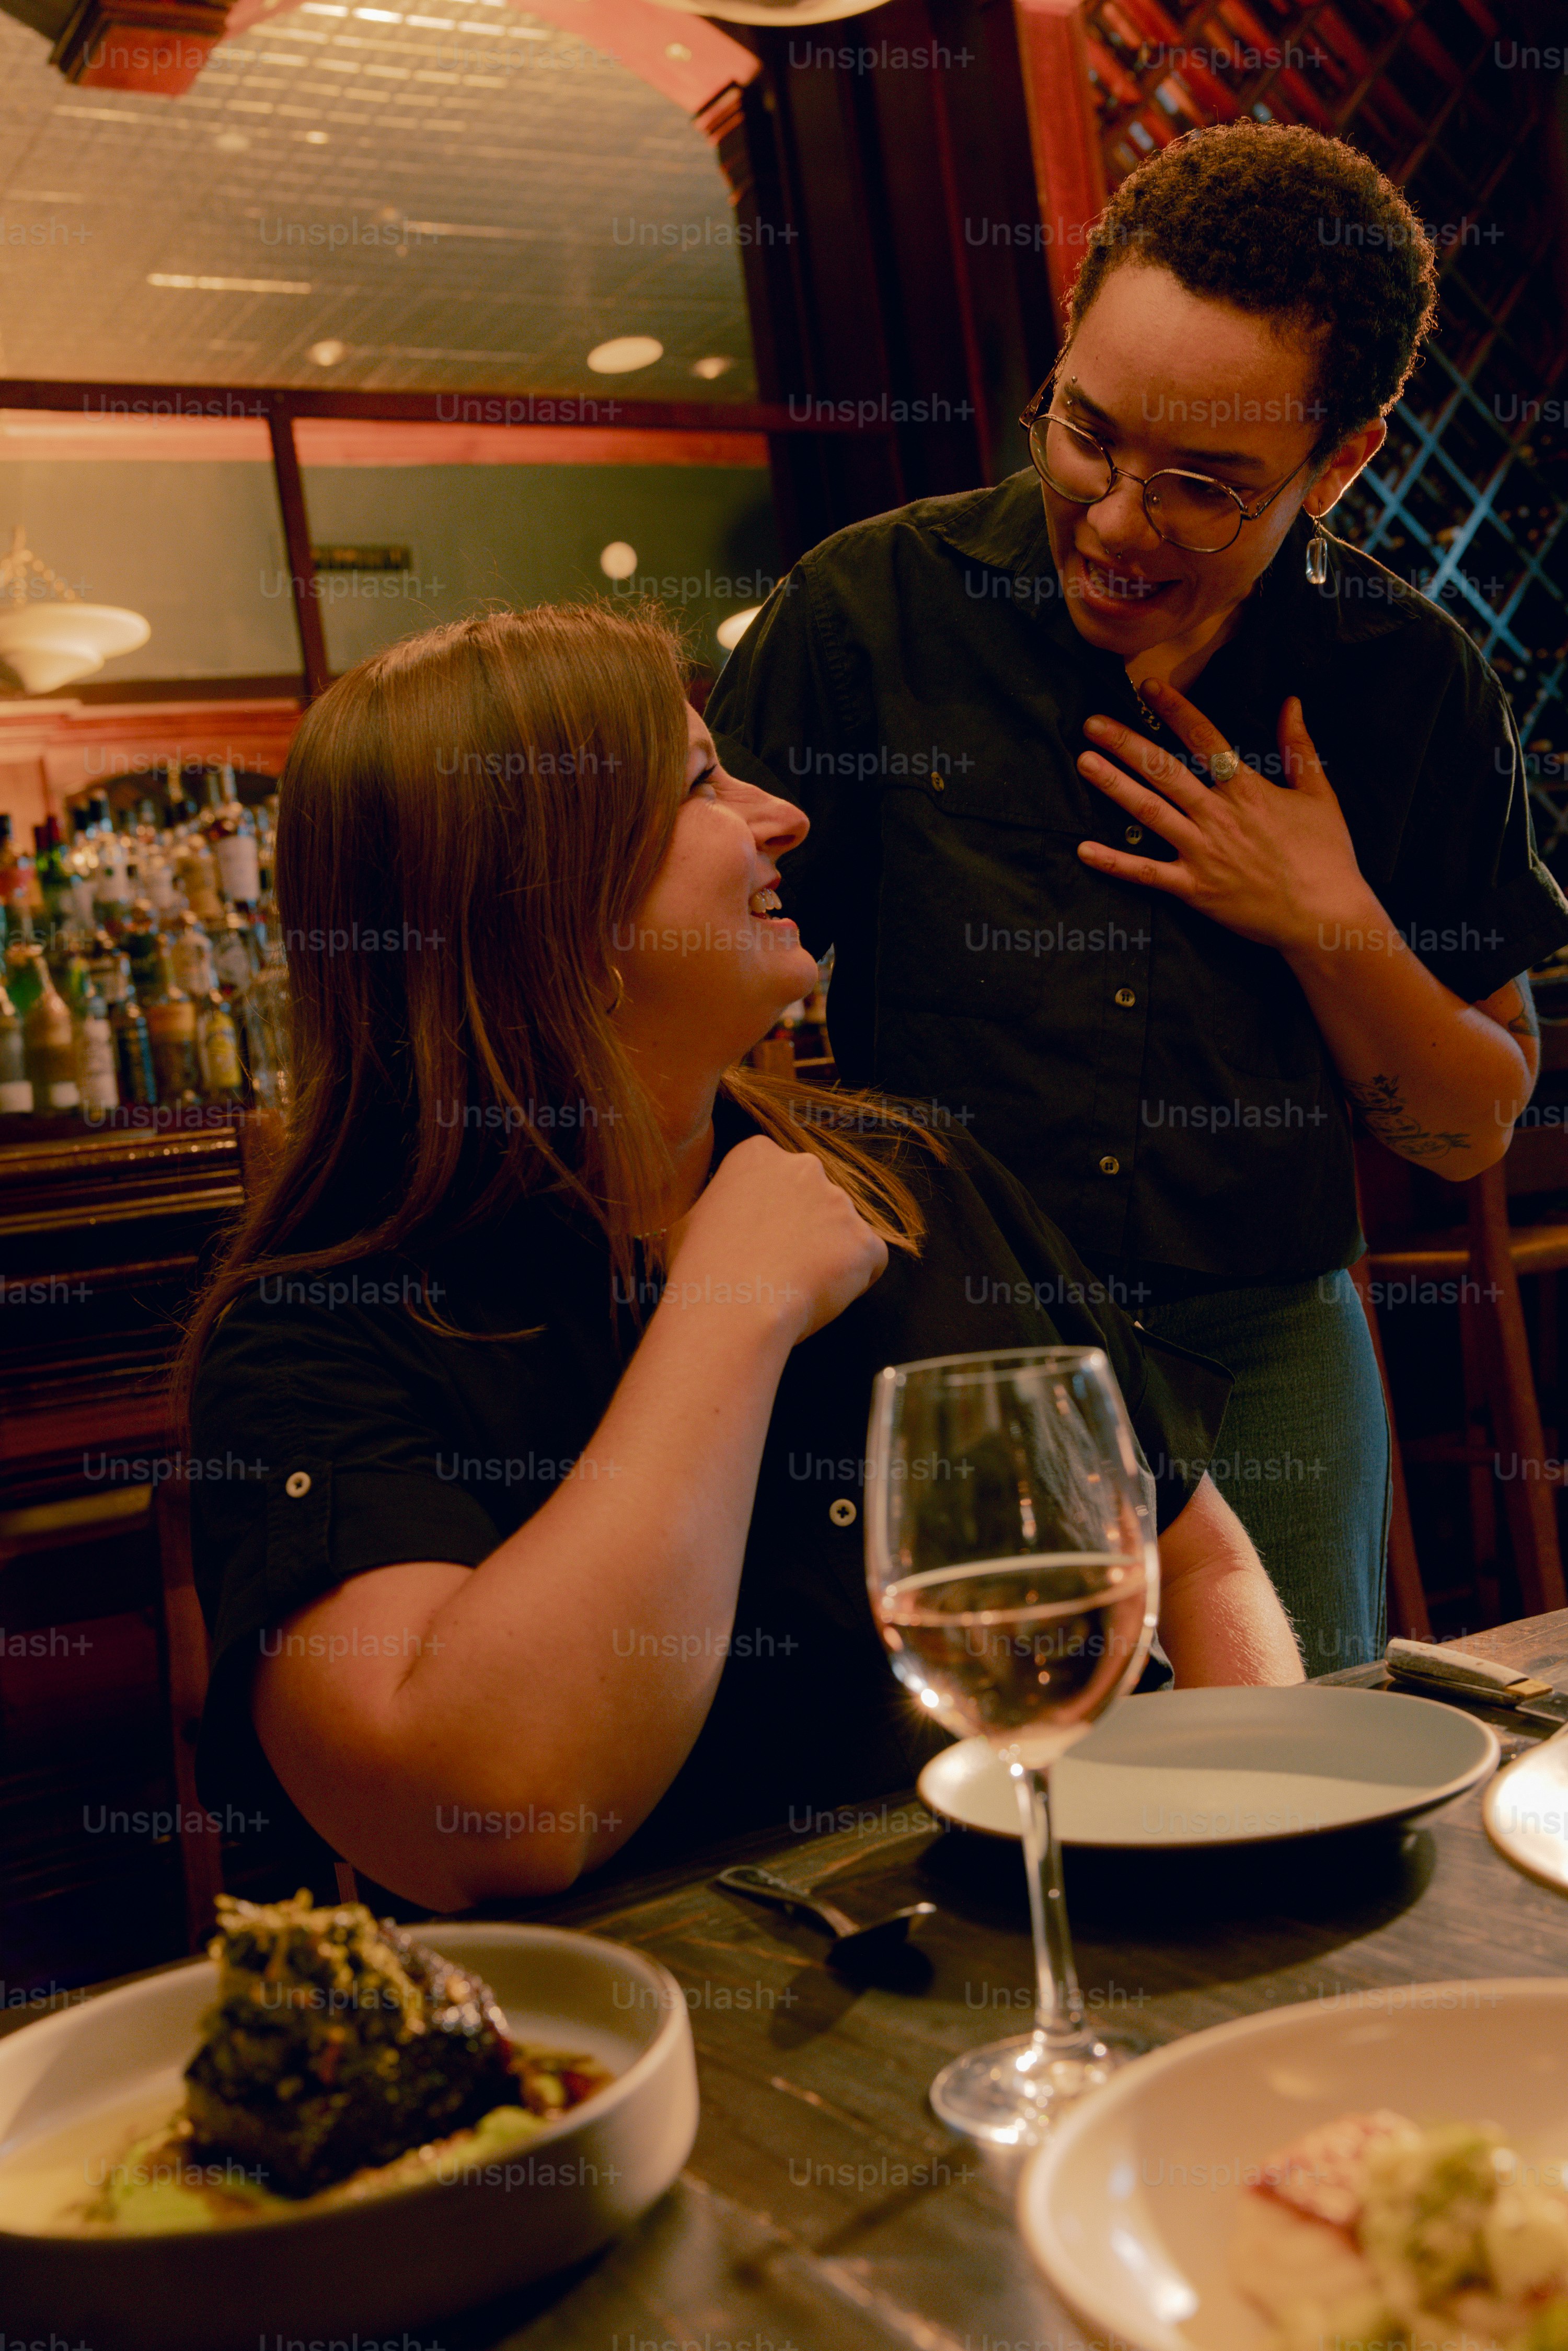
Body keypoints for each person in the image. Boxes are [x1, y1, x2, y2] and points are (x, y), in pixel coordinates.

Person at [183, 606, 1301, 1916]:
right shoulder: (319, 1335)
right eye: (704, 783)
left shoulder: (912, 1174)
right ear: (552, 906)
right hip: (682, 2082)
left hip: (1070, 1972)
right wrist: (732, 1305)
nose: (786, 819)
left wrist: (1248, 1866)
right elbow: (488, 1815)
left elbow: (1200, 1560)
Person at [705, 121, 1568, 1675]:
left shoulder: (1409, 686)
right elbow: (708, 1001)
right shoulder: (866, 615)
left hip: (1270, 1351)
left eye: (1203, 489)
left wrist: (1328, 919)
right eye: (1089, 434)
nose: (1113, 521)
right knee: (968, 1833)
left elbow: (1467, 1127)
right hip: (939, 1355)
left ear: (1344, 459)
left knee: (1295, 1838)